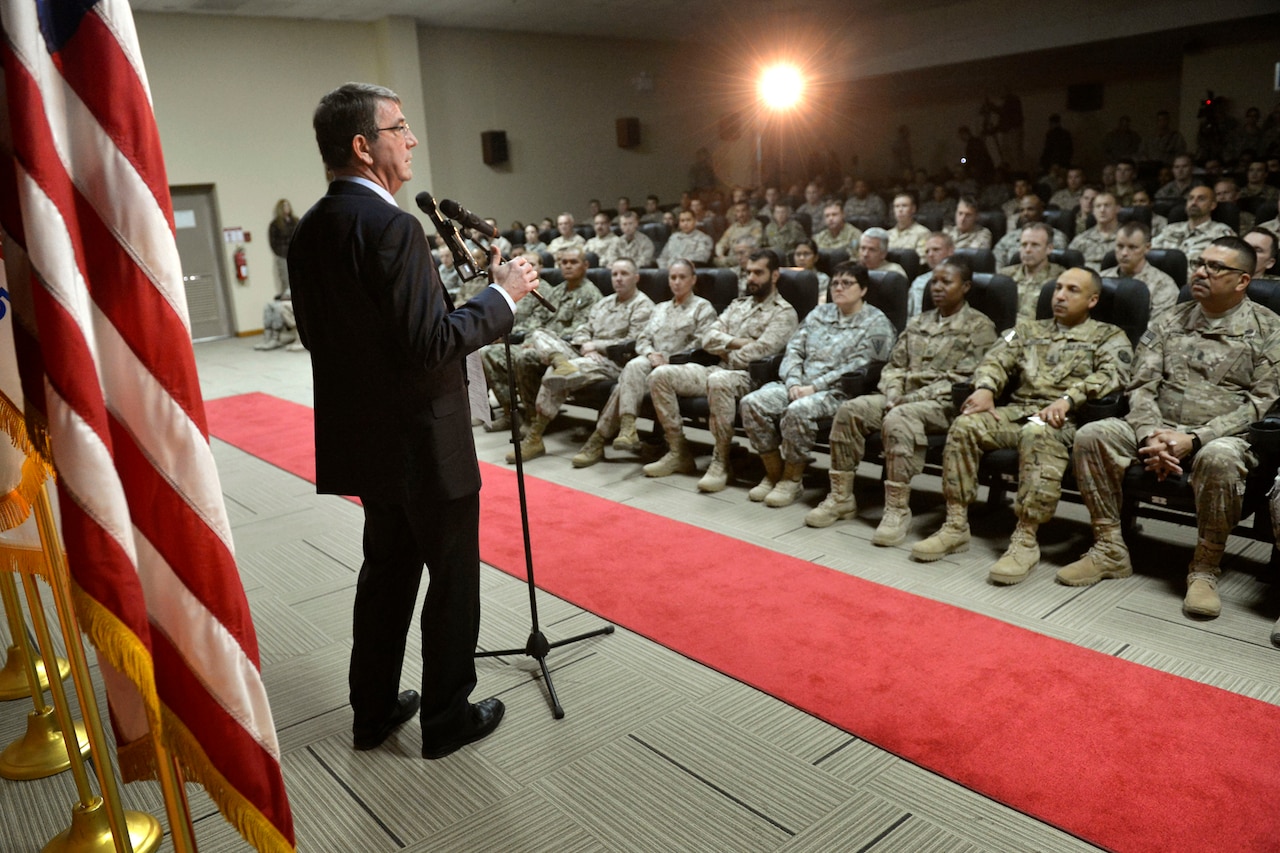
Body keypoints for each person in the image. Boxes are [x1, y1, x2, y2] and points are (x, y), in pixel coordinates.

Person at [288, 82, 539, 758]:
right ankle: (447, 715)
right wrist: (501, 297)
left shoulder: (312, 228)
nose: (413, 139)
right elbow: (426, 345)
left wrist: (460, 301)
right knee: (451, 576)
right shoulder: (392, 226)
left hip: (367, 435)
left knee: (387, 572)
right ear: (364, 145)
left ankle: (372, 710)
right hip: (425, 437)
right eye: (399, 127)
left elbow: (333, 336)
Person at [1067, 238, 1279, 620]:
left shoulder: (1269, 329)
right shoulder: (1169, 319)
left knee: (1219, 457)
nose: (1201, 272)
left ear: (1243, 280)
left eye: (1216, 267)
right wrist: (1152, 435)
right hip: (1158, 430)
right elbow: (1142, 385)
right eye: (1200, 263)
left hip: (1222, 438)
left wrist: (1194, 439)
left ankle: (1204, 568)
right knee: (1092, 434)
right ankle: (1109, 548)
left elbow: (1260, 404)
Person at [910, 268, 1132, 585]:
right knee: (966, 424)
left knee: (1038, 431)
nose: (1060, 295)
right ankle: (956, 525)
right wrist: (986, 387)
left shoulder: (1109, 336)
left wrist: (1069, 399)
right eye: (1057, 288)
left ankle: (1026, 540)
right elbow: (996, 358)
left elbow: (1113, 376)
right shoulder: (1024, 330)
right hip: (1020, 411)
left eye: (1072, 290)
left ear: (1092, 300)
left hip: (1066, 419)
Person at [808, 259, 998, 541]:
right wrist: (894, 391)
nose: (938, 288)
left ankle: (897, 509)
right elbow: (894, 365)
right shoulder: (919, 322)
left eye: (947, 282)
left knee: (899, 418)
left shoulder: (979, 327)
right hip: (899, 397)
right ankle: (841, 497)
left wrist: (907, 399)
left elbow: (965, 379)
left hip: (942, 404)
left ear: (966, 287)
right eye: (934, 282)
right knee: (851, 410)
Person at [738, 261, 896, 504]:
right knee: (752, 403)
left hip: (838, 392)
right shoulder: (820, 313)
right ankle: (774, 472)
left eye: (847, 283)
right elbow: (794, 350)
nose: (839, 288)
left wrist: (814, 388)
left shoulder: (877, 323)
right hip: (797, 384)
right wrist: (793, 382)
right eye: (835, 283)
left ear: (863, 289)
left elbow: (860, 366)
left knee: (797, 411)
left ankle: (792, 478)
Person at [643, 249, 798, 486]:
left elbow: (761, 352)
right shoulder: (738, 305)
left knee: (719, 381)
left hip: (753, 379)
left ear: (775, 275)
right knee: (661, 375)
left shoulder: (784, 312)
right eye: (748, 273)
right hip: (717, 368)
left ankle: (721, 460)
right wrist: (737, 343)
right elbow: (708, 338)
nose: (751, 278)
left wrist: (725, 349)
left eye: (758, 273)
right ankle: (678, 451)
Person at [572, 259, 717, 466]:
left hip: (682, 366)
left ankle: (597, 439)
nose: (676, 282)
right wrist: (650, 354)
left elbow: (701, 345)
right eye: (673, 277)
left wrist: (669, 359)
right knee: (634, 365)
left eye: (682, 277)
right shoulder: (660, 308)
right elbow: (643, 339)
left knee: (625, 383)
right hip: (652, 361)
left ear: (693, 280)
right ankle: (628, 427)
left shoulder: (702, 308)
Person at [507, 258, 654, 461]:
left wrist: (597, 346)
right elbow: (583, 329)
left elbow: (634, 343)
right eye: (614, 274)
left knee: (554, 374)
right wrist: (586, 346)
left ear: (636, 277)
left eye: (624, 274)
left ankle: (536, 436)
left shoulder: (643, 306)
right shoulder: (604, 303)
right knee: (540, 333)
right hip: (586, 355)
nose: (618, 279)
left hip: (614, 363)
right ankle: (561, 362)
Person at [481, 246, 602, 430]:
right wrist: (530, 340)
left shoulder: (589, 294)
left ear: (585, 265)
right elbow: (538, 321)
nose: (567, 266)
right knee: (489, 353)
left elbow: (577, 332)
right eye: (564, 262)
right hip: (540, 343)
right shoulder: (558, 291)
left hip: (566, 351)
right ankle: (512, 413)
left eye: (573, 262)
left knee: (525, 358)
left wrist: (538, 344)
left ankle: (533, 421)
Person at [1152, 184, 1237, 277]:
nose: (1194, 202)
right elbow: (1148, 254)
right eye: (1191, 198)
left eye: (1201, 199)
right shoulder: (1170, 229)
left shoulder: (1222, 233)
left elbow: (1226, 268)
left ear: (1212, 205)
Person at [1100, 222, 1179, 321]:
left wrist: (1144, 338)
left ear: (1147, 248)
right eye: (1120, 246)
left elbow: (1159, 328)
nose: (1124, 253)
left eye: (1132, 247)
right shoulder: (1101, 279)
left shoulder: (1163, 285)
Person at [1000, 223, 1067, 320]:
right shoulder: (1004, 276)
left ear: (1049, 248)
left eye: (1035, 245)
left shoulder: (1061, 279)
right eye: (1024, 244)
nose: (1027, 250)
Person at [991, 194, 1068, 268]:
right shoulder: (1009, 237)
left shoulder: (1056, 236)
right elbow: (996, 262)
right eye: (1022, 210)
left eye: (1030, 209)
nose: (1025, 213)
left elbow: (1058, 263)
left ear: (1041, 211)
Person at [1069, 191, 1121, 270]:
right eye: (1098, 206)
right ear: (1093, 211)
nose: (1102, 210)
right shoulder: (1081, 239)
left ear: (1117, 209)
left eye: (1107, 206)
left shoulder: (1128, 237)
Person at [908, 232, 955, 317]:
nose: (930, 255)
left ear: (950, 251)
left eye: (936, 249)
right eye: (927, 251)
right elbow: (909, 315)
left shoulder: (959, 280)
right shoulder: (919, 281)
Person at [714, 201, 764, 267]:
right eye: (738, 211)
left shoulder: (756, 225)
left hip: (746, 258)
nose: (740, 214)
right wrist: (720, 254)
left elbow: (755, 244)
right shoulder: (733, 227)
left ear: (749, 211)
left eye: (743, 211)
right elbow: (721, 243)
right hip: (730, 258)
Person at [887, 193, 931, 262]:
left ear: (913, 209)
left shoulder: (923, 233)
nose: (900, 210)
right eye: (897, 206)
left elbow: (921, 260)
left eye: (904, 206)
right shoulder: (887, 234)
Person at [268, 198, 297, 298]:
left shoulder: (295, 221)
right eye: (284, 206)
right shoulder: (275, 224)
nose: (287, 208)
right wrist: (280, 252)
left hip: (295, 252)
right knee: (286, 277)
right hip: (283, 254)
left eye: (288, 205)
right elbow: (273, 242)